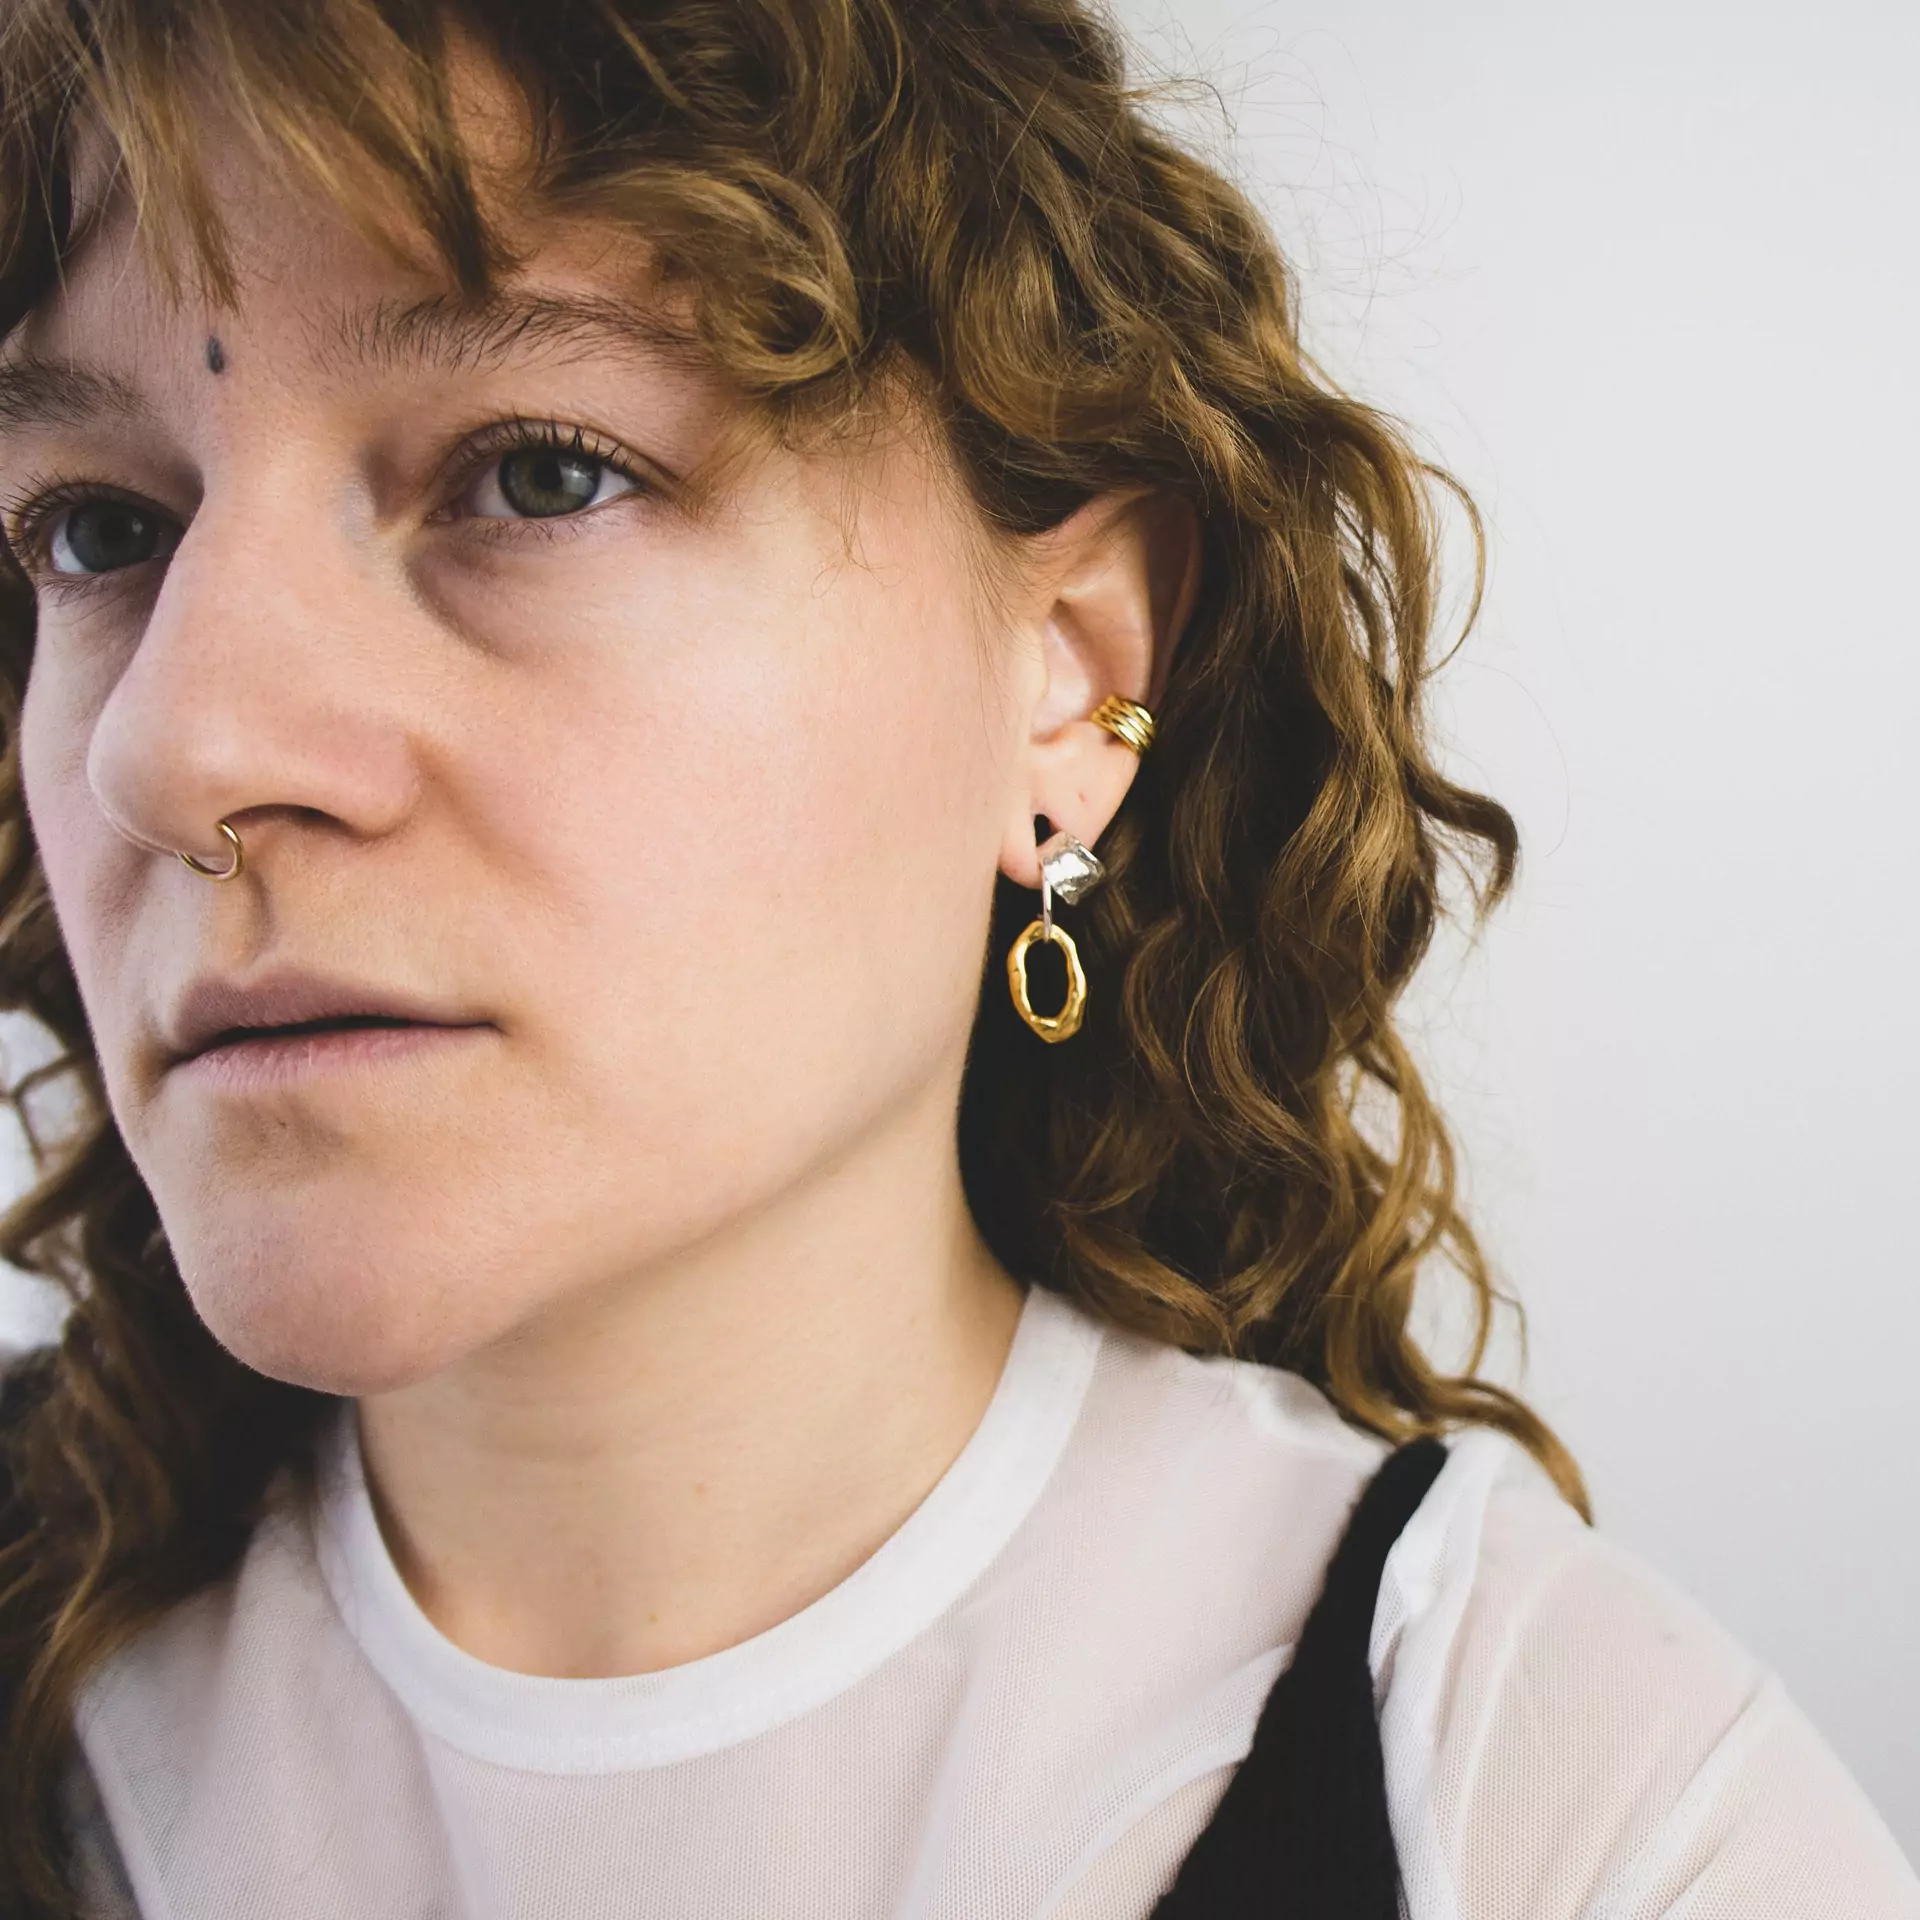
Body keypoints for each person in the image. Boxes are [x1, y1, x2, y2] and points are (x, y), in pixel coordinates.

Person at [0, 1, 1911, 1915]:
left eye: (541, 475)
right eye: (96, 529)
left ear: (1066, 677)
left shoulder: (1580, 1826)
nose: (174, 748)